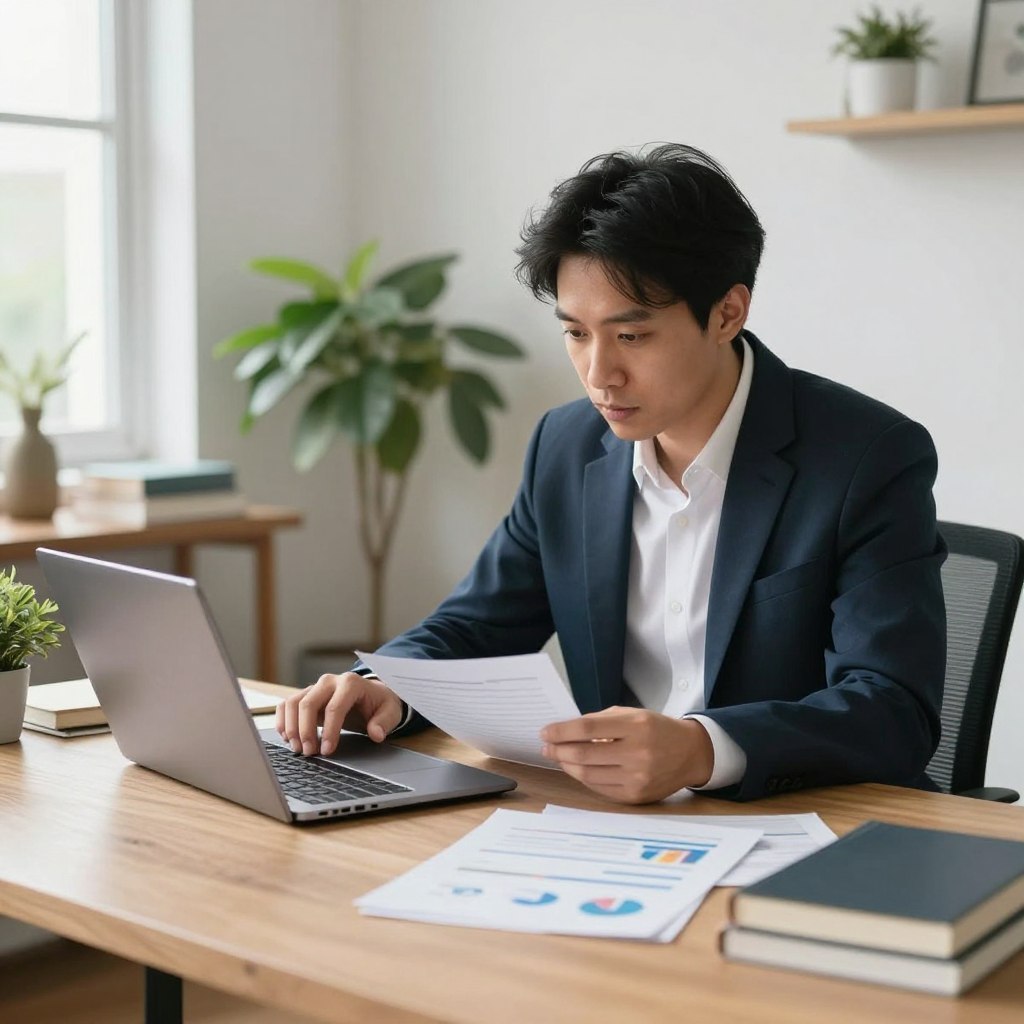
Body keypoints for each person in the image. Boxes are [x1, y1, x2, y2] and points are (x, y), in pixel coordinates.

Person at [277, 143, 946, 803]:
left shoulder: (866, 457)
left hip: (805, 826)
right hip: (613, 827)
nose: (600, 375)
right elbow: (477, 624)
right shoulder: (567, 447)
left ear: (728, 313)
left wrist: (703, 748)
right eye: (575, 333)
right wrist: (387, 682)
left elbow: (891, 709)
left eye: (631, 336)